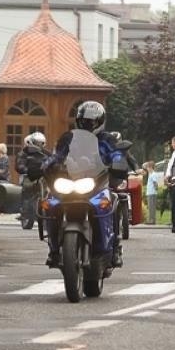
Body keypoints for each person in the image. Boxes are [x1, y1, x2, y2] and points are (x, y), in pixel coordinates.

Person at [42, 100, 127, 268]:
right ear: (78, 120)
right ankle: (53, 249)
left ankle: (115, 247)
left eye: (92, 121)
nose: (88, 124)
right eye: (85, 121)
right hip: (70, 180)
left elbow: (116, 153)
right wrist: (45, 164)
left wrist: (118, 162)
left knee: (113, 201)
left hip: (96, 182)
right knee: (50, 203)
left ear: (100, 121)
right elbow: (58, 155)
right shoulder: (68, 138)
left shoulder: (107, 139)